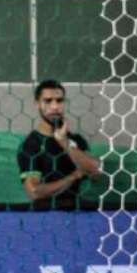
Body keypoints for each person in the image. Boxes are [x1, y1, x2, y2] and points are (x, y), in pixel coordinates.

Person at [17, 79, 101, 207]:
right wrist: (73, 176)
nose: (55, 107)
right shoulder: (30, 145)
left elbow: (96, 172)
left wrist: (64, 142)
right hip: (46, 216)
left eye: (59, 101)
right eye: (48, 101)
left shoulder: (76, 140)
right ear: (37, 104)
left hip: (78, 214)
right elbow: (34, 192)